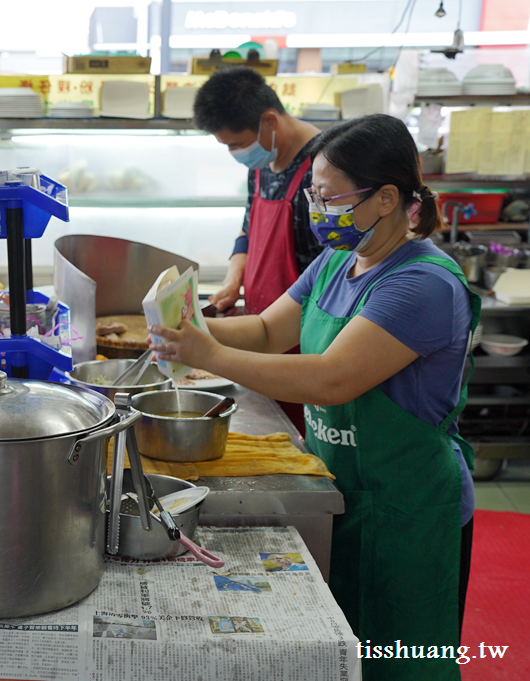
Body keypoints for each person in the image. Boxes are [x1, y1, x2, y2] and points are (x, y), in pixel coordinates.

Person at [149, 114, 477, 681]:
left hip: (408, 509)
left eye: (328, 196)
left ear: (386, 198)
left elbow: (331, 379)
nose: (315, 208)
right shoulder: (337, 259)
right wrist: (186, 324)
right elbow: (270, 331)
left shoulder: (420, 283)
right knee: (340, 649)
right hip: (345, 487)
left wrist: (206, 355)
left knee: (402, 661)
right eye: (312, 194)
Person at [193, 67, 325, 432]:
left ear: (269, 120)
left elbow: (334, 273)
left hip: (306, 340)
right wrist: (234, 279)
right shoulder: (264, 161)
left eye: (236, 144)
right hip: (259, 327)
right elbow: (249, 226)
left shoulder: (325, 170)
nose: (235, 153)